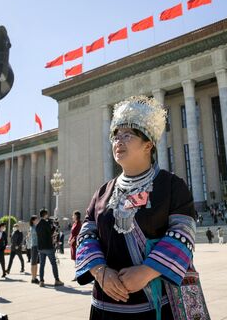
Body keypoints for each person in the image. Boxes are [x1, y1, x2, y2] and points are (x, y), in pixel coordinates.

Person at [75, 96, 197, 319]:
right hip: (105, 305)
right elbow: (86, 235)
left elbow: (183, 233)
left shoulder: (171, 185)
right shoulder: (103, 192)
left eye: (127, 135)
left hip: (157, 306)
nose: (118, 141)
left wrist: (147, 271)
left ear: (148, 144)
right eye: (115, 136)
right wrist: (99, 271)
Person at [36, 209, 64, 287]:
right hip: (48, 247)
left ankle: (41, 281)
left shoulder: (38, 225)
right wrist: (54, 227)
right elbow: (51, 233)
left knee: (42, 265)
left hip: (40, 247)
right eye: (47, 215)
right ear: (45, 215)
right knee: (53, 264)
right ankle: (57, 280)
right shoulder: (46, 223)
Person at [69, 210, 82, 281]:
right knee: (75, 260)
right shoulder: (74, 224)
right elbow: (72, 233)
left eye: (73, 215)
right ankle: (78, 275)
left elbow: (77, 235)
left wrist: (72, 240)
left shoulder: (79, 224)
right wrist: (69, 240)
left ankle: (78, 275)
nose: (72, 217)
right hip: (72, 244)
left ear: (76, 216)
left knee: (77, 260)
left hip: (76, 244)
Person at [28, 215, 40, 284]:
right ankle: (33, 278)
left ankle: (35, 277)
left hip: (36, 246)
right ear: (33, 220)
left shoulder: (33, 227)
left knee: (35, 263)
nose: (37, 220)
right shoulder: (33, 227)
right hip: (34, 246)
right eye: (36, 219)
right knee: (34, 263)